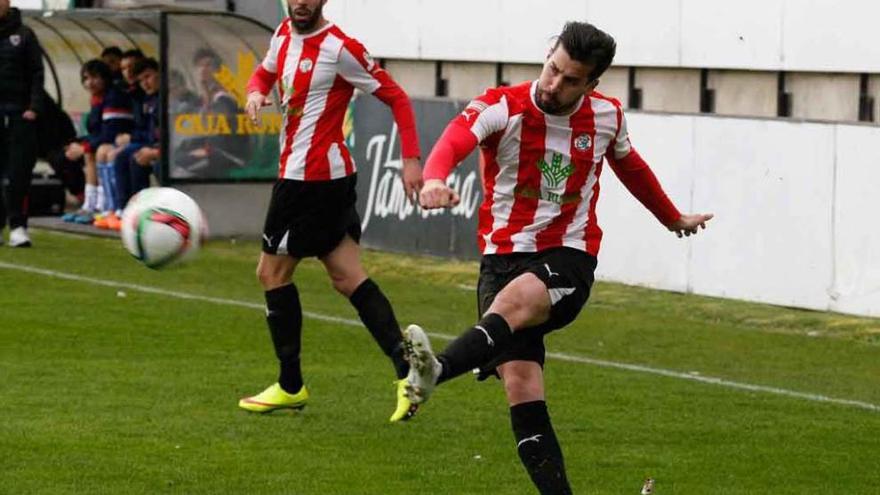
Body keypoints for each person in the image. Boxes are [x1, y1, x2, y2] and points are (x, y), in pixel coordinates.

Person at [402, 22, 714, 494]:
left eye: (571, 80)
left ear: (592, 84)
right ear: (548, 54)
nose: (554, 85)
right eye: (553, 70)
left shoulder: (606, 117)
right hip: (500, 259)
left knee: (516, 303)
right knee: (522, 389)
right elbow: (453, 141)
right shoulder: (501, 106)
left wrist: (672, 218)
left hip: (567, 255)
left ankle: (437, 370)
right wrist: (433, 178)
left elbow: (631, 167)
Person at [240, 0, 424, 423]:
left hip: (310, 182)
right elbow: (265, 71)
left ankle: (290, 386)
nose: (301, 1)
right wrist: (255, 92)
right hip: (325, 179)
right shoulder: (284, 33)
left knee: (271, 274)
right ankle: (407, 372)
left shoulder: (340, 48)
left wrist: (411, 160)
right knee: (346, 275)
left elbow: (397, 97)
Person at [62, 60, 133, 225]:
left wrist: (84, 146)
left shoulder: (114, 96)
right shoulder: (97, 99)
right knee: (86, 152)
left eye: (94, 77)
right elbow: (96, 131)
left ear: (105, 78)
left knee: (99, 150)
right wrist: (79, 145)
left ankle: (106, 205)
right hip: (108, 140)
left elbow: (111, 132)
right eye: (86, 78)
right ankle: (90, 204)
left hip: (123, 139)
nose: (90, 82)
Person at [0, 0, 44, 247]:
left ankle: (18, 226)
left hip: (19, 113)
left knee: (19, 172)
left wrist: (34, 108)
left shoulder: (24, 35)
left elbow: (37, 73)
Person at [111, 57, 160, 216]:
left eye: (148, 77)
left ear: (160, 73)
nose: (145, 83)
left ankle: (141, 209)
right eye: (141, 80)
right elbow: (147, 130)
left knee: (135, 157)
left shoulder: (166, 99)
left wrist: (134, 139)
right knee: (123, 155)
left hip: (162, 147)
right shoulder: (147, 99)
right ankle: (123, 206)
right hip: (150, 143)